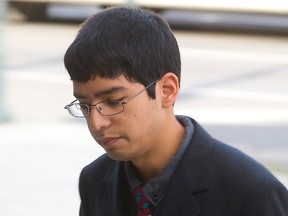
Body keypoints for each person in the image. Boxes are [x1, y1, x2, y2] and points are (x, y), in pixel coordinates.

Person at [63, 6, 288, 216]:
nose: (96, 123)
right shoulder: (96, 180)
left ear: (167, 91)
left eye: (113, 101)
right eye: (84, 105)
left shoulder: (251, 193)